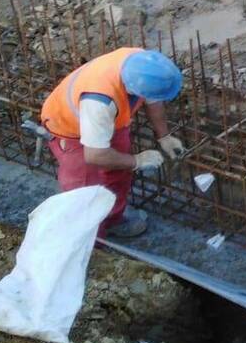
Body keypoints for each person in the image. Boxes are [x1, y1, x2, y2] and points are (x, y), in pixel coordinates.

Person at [40, 47, 186, 239]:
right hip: (70, 130)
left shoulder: (145, 67)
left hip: (111, 121)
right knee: (84, 192)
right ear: (136, 88)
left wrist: (164, 137)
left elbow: (154, 101)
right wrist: (137, 161)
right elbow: (94, 155)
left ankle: (113, 218)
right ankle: (93, 242)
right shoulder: (100, 101)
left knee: (118, 168)